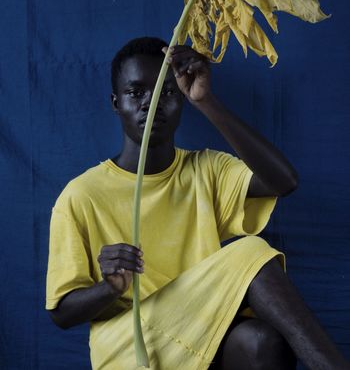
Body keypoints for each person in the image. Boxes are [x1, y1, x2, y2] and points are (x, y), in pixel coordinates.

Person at [46, 36, 349, 370]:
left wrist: (205, 101)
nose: (151, 102)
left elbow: (284, 182)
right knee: (249, 251)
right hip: (132, 349)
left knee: (260, 341)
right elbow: (62, 313)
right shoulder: (81, 194)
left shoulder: (206, 169)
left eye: (167, 91)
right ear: (116, 103)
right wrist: (109, 288)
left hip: (200, 335)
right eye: (136, 92)